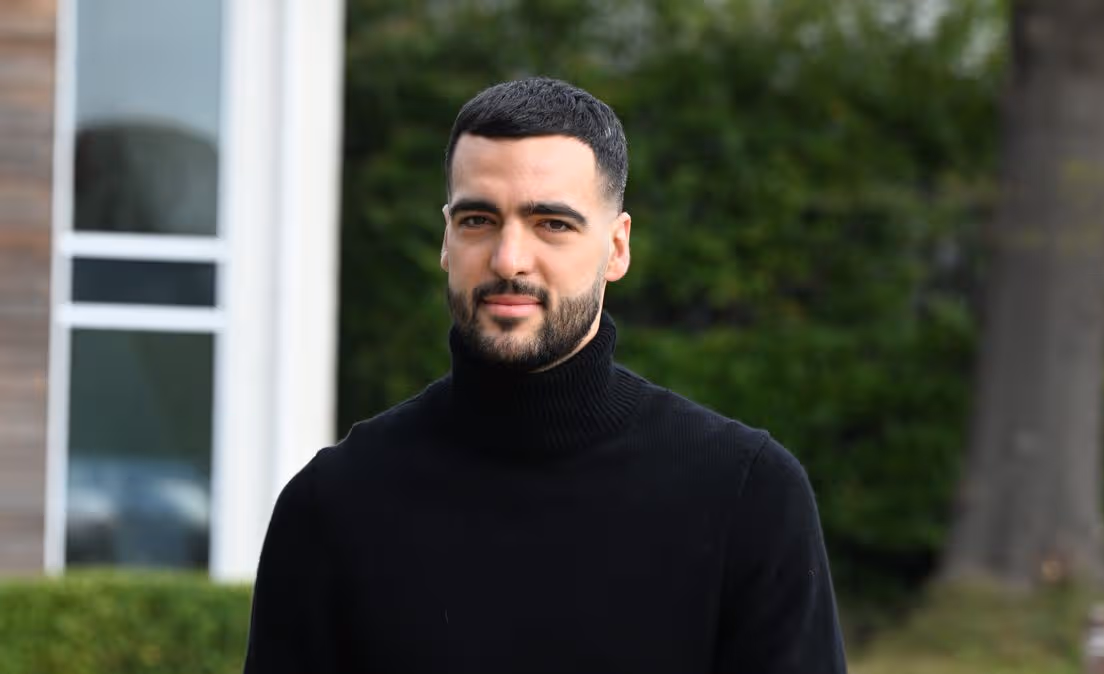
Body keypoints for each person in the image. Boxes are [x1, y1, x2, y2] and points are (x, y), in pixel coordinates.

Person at [243, 77, 846, 674]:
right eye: (478, 219)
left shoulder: (747, 496)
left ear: (617, 248)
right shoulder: (334, 505)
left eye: (552, 223)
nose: (509, 260)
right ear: (447, 240)